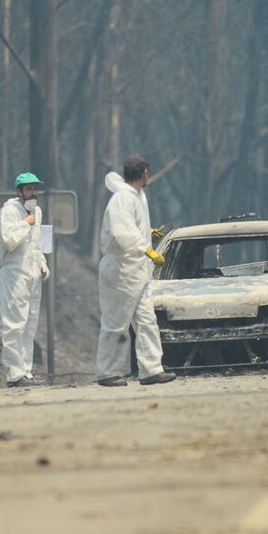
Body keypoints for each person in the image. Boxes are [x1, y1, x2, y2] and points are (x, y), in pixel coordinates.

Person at [96, 155, 176, 387]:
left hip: (135, 269)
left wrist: (146, 231)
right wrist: (145, 248)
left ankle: (151, 369)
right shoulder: (123, 198)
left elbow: (129, 226)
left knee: (146, 320)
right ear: (144, 173)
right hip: (121, 268)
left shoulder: (134, 195)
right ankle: (107, 372)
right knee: (115, 321)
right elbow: (122, 230)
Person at [0, 172, 49, 387]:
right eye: (28, 188)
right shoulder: (8, 211)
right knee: (14, 324)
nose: (33, 192)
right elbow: (8, 241)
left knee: (29, 324)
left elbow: (36, 244)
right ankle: (14, 374)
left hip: (32, 274)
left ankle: (26, 371)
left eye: (35, 188)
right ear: (19, 191)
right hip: (13, 274)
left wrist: (42, 263)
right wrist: (25, 223)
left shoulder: (38, 212)